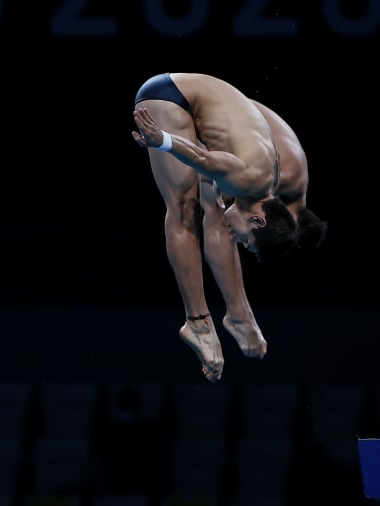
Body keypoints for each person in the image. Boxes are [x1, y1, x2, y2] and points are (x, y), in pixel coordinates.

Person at [130, 72, 326, 382]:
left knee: (213, 203)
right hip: (168, 96)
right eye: (245, 241)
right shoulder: (250, 178)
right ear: (260, 219)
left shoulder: (270, 182)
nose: (237, 240)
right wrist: (162, 141)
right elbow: (201, 158)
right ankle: (197, 321)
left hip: (204, 103)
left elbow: (212, 165)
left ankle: (234, 315)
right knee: (183, 208)